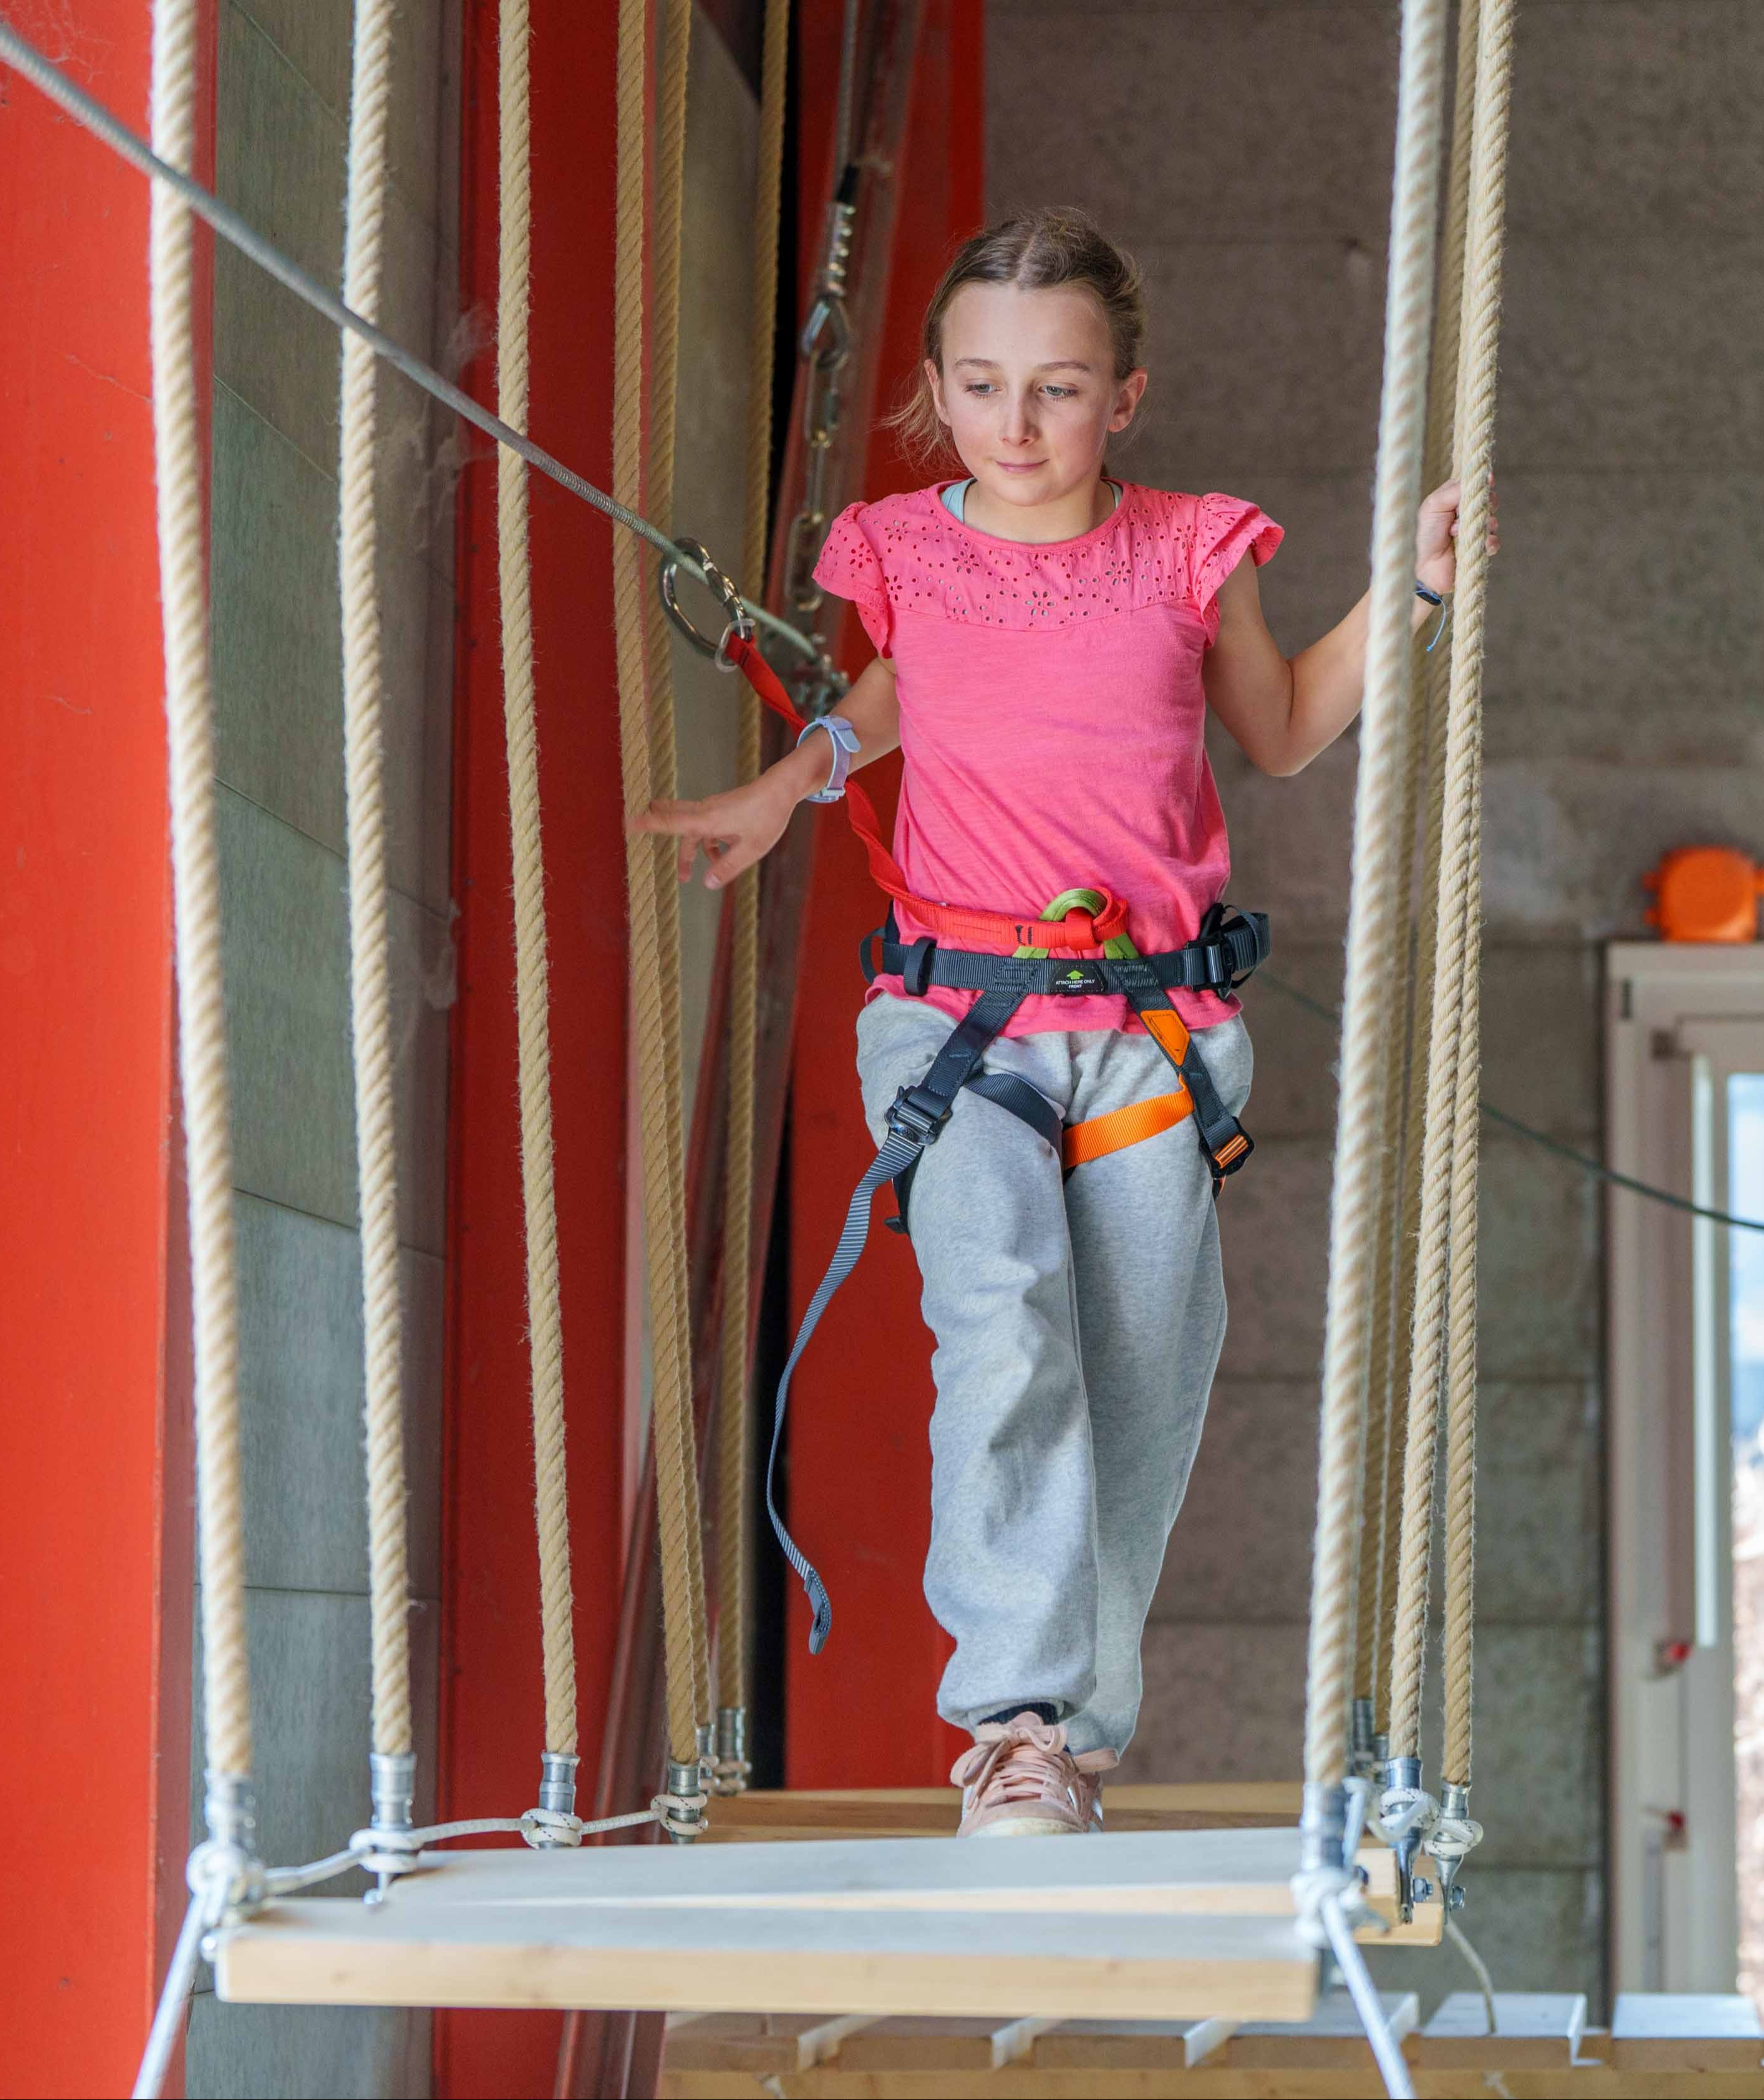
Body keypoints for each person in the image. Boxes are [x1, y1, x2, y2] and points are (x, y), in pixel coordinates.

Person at [637, 207, 1486, 1838]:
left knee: (1145, 1382)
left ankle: (1076, 1730)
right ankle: (1014, 1726)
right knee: (1004, 1323)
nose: (1014, 428)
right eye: (980, 385)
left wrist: (1422, 594)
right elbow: (903, 694)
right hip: (963, 1025)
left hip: (1152, 1034)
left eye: (1057, 390)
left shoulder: (1186, 553)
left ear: (1126, 396)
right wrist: (787, 781)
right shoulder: (904, 546)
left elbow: (1290, 728)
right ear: (937, 395)